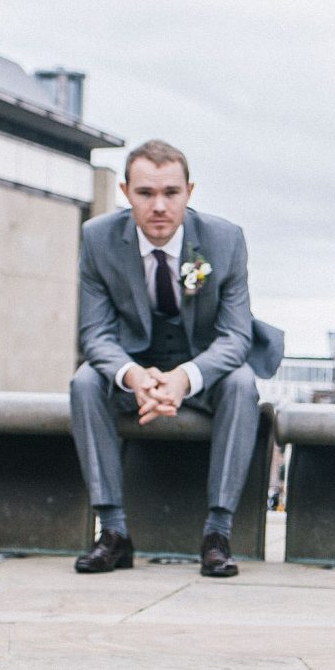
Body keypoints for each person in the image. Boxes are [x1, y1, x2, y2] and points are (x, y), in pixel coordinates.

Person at [69, 139, 282, 578]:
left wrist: (184, 378)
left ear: (190, 192)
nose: (159, 206)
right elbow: (94, 333)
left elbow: (236, 335)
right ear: (126, 193)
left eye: (171, 193)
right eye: (146, 194)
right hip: (135, 368)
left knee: (243, 384)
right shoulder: (98, 239)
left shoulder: (224, 240)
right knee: (86, 382)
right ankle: (113, 533)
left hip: (204, 368)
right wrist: (132, 377)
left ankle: (217, 535)